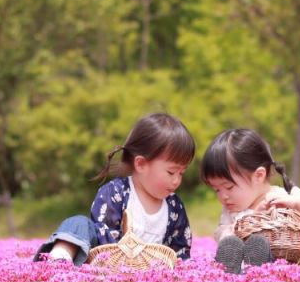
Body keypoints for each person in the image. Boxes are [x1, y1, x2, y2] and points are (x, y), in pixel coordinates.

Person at [33, 113, 195, 266]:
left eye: (182, 173)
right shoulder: (115, 192)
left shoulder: (174, 206)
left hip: (149, 272)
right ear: (141, 164)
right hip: (108, 264)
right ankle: (59, 259)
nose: (177, 180)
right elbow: (105, 240)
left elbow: (180, 249)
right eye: (171, 172)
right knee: (79, 223)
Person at [201, 128, 300, 274]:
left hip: (284, 268)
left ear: (259, 175)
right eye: (217, 190)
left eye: (228, 187)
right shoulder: (232, 211)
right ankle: (234, 274)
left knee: (258, 245)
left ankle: (258, 266)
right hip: (240, 279)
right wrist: (250, 220)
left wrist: (297, 204)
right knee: (231, 243)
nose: (223, 196)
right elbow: (224, 241)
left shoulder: (284, 196)